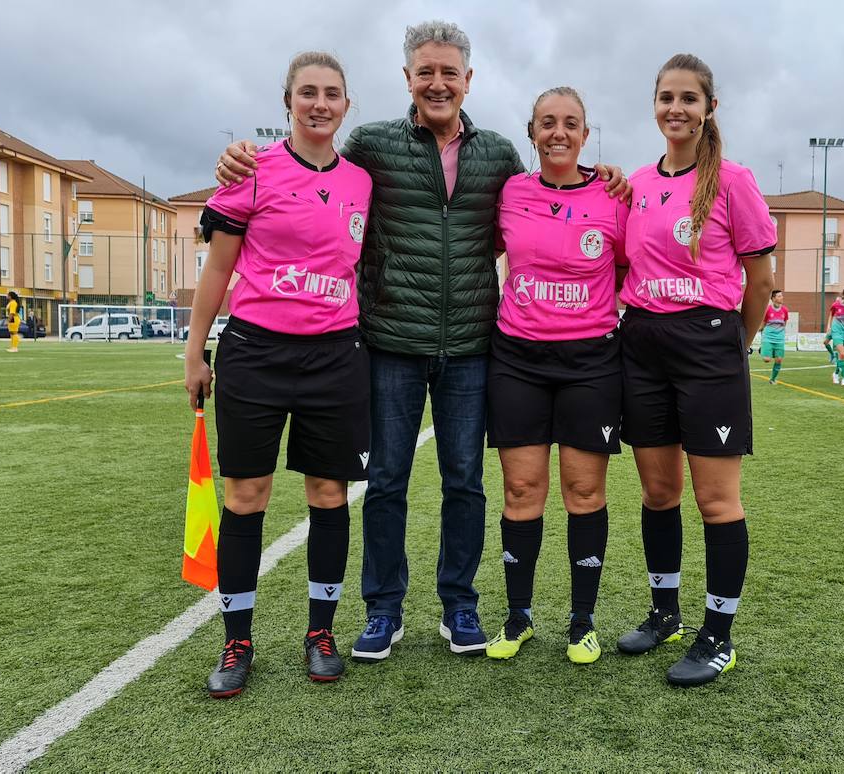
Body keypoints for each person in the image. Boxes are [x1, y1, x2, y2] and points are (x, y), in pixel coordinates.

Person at [214, 21, 628, 661]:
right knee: (386, 480)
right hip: (389, 343)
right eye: (425, 72)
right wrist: (238, 160)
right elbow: (313, 182)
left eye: (450, 73)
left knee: (464, 481)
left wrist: (609, 180)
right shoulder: (372, 145)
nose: (438, 84)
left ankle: (459, 606)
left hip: (471, 346)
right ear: (408, 79)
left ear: (468, 81)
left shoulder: (497, 155)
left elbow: (536, 213)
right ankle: (383, 610)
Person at [187, 51, 373, 698]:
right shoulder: (253, 170)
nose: (320, 103)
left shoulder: (362, 181)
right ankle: (237, 640)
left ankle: (319, 633)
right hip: (256, 353)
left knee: (328, 494)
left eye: (332, 93)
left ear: (347, 105)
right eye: (307, 93)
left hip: (336, 357)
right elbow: (217, 269)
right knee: (246, 498)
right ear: (288, 102)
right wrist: (193, 352)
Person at [616, 54, 775, 687]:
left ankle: (719, 633)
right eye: (665, 98)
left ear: (709, 108)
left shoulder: (733, 181)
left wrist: (735, 340)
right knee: (659, 493)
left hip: (708, 344)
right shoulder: (636, 183)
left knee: (716, 500)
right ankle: (665, 612)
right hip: (643, 345)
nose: (675, 109)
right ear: (653, 106)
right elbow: (626, 268)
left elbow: (760, 280)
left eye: (688, 98)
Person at [482, 87, 629, 666]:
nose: (558, 133)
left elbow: (628, 270)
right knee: (521, 491)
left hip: (591, 362)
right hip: (517, 359)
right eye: (548, 123)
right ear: (532, 132)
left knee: (584, 492)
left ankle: (582, 621)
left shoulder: (615, 195)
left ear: (586, 135)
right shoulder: (511, 192)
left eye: (571, 123)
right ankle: (518, 617)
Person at [761, 290, 788, 384]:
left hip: (779, 338)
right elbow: (763, 323)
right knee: (766, 360)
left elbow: (785, 322)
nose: (782, 297)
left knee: (779, 360)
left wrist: (782, 332)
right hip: (768, 336)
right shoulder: (767, 309)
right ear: (773, 298)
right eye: (779, 296)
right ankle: (764, 349)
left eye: (782, 296)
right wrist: (762, 331)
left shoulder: (784, 310)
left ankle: (772, 379)